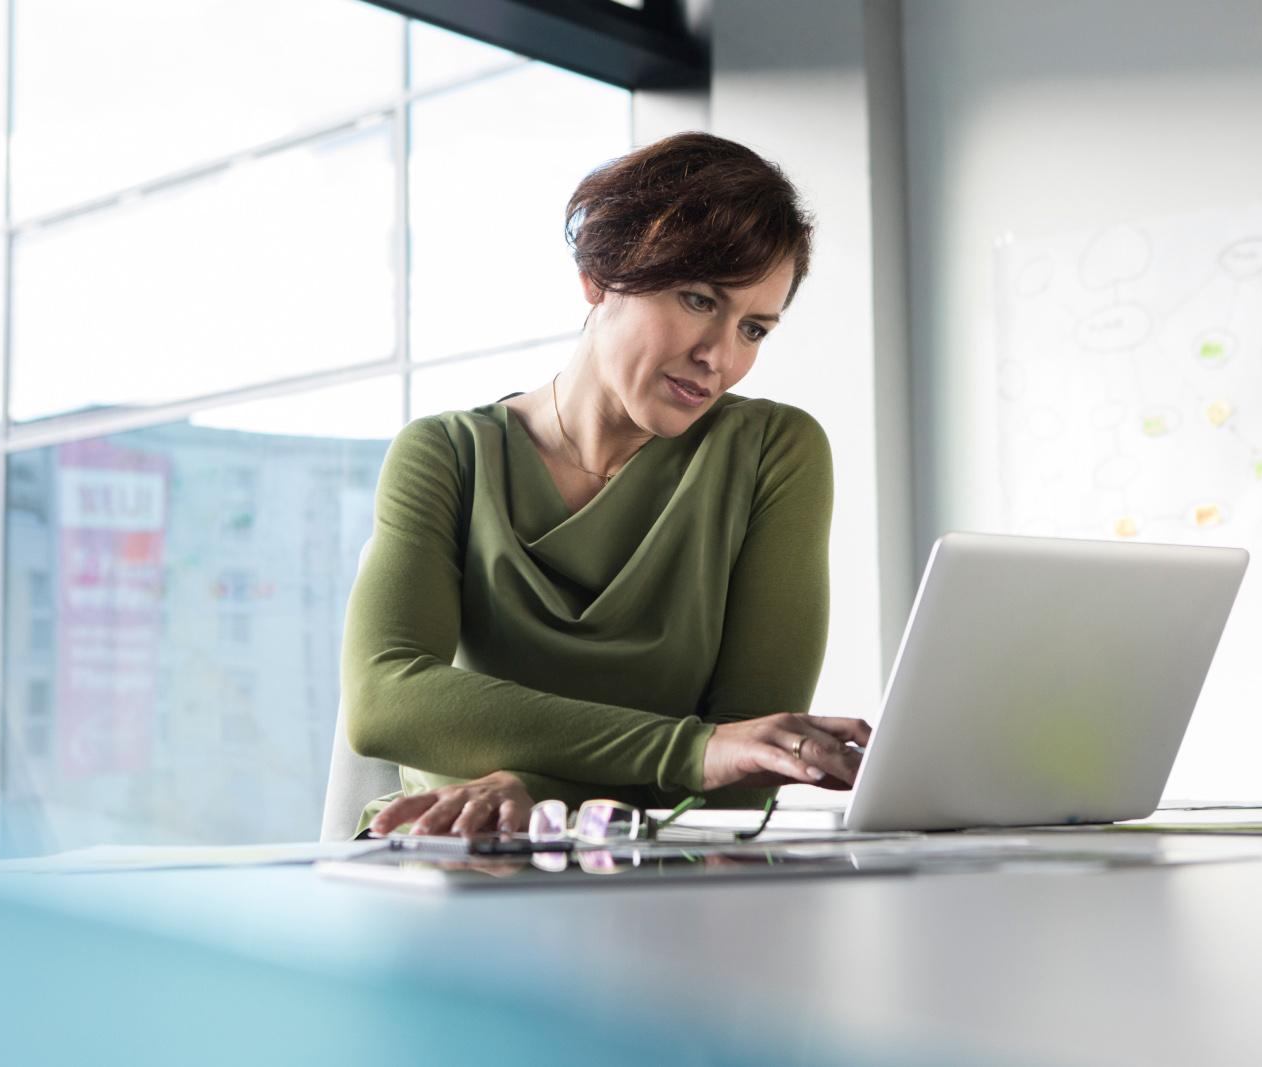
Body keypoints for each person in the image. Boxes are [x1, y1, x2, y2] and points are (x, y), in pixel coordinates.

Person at [342, 130, 870, 838]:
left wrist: (534, 788)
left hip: (662, 866)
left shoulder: (774, 452)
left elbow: (746, 769)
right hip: (452, 853)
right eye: (697, 299)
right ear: (599, 275)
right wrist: (691, 751)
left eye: (754, 328)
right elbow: (384, 701)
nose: (718, 356)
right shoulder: (446, 455)